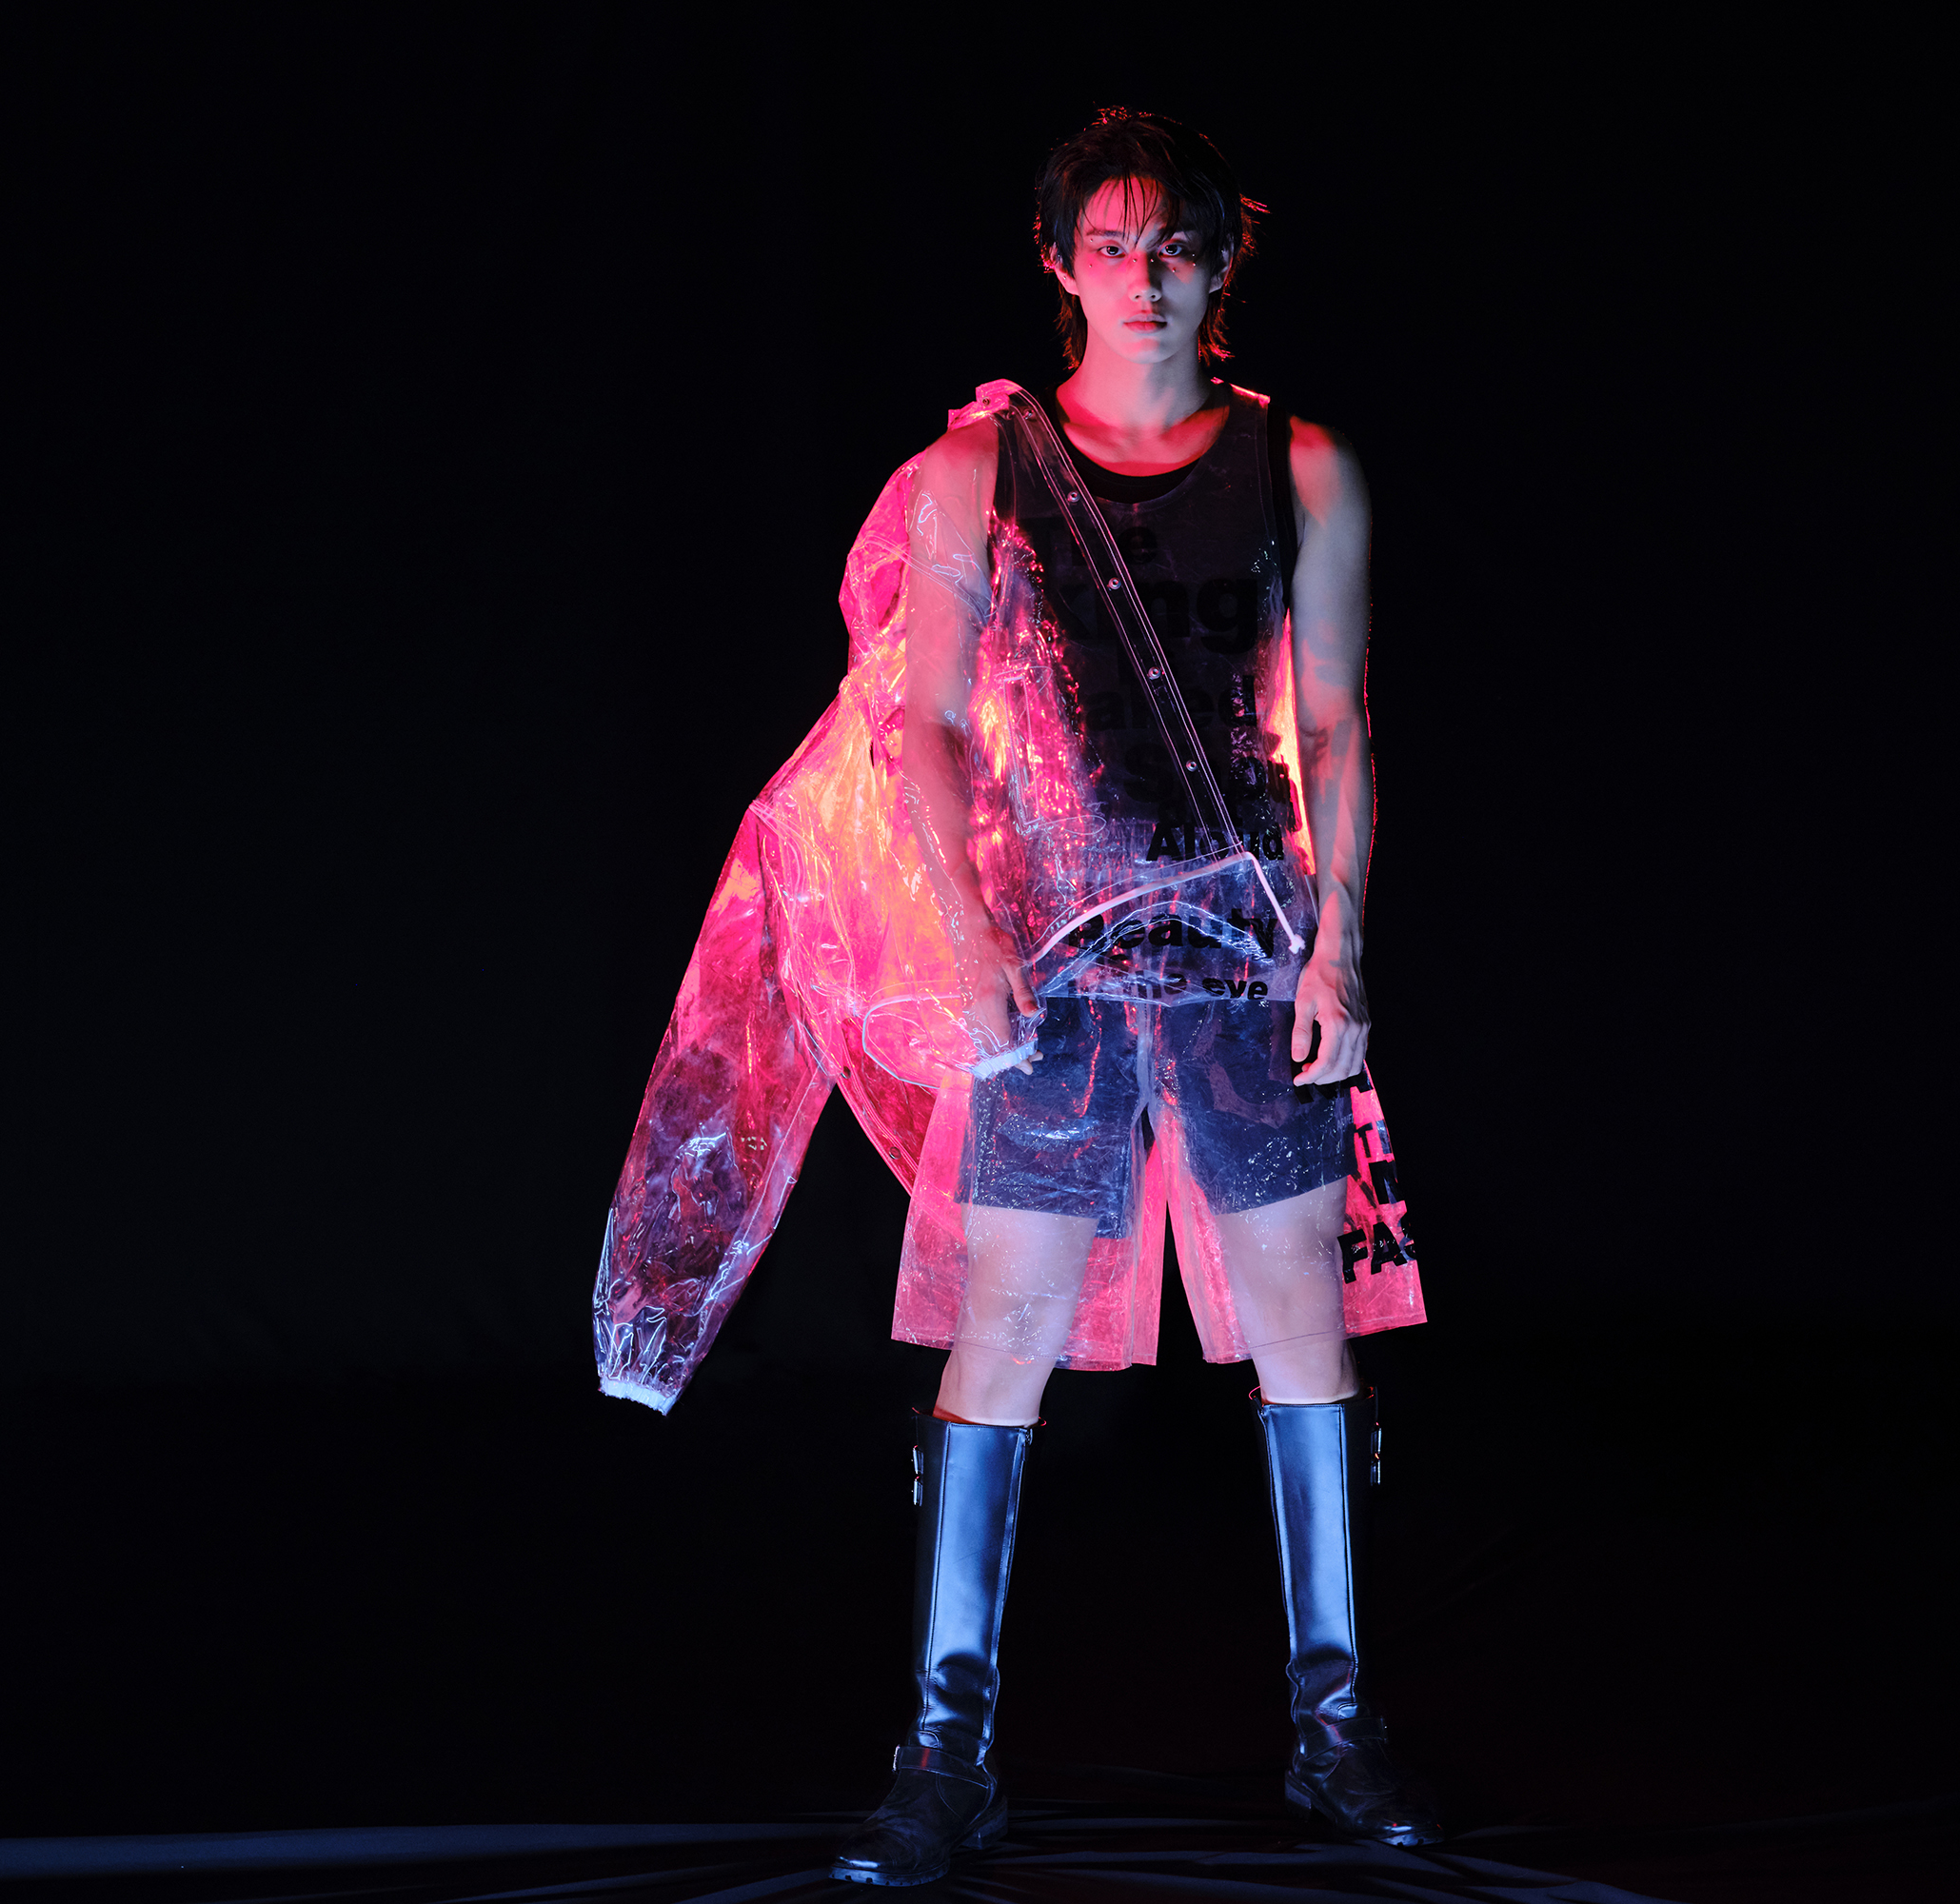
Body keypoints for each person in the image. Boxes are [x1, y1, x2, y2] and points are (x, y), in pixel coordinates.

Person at [589, 109, 1435, 1886]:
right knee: (1006, 1330)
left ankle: (1340, 1735)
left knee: (1304, 1319)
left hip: (1247, 955)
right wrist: (968, 942)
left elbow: (1339, 720)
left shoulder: (1301, 465)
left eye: (1176, 243)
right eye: (1111, 243)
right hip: (1049, 972)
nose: (1146, 275)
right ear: (1059, 262)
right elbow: (927, 725)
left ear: (1222, 258)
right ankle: (944, 1753)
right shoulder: (979, 470)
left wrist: (1341, 946)